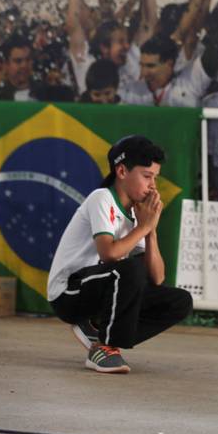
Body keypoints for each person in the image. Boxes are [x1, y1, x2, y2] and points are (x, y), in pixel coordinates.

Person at [46, 135, 192, 373]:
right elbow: (109, 254)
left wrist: (151, 230)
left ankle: (99, 332)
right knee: (130, 268)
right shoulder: (102, 198)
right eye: (147, 176)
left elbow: (157, 278)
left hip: (99, 291)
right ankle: (105, 347)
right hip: (68, 294)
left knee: (180, 301)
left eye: (155, 177)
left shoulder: (135, 214)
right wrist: (143, 227)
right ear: (122, 171)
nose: (153, 185)